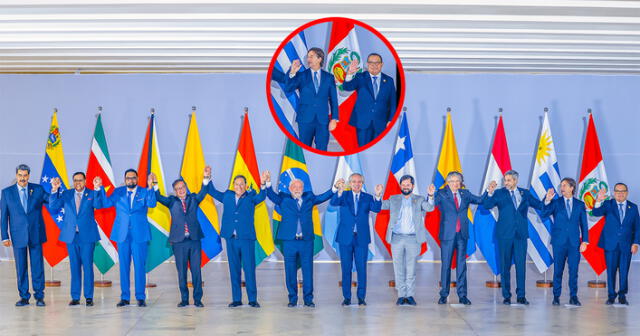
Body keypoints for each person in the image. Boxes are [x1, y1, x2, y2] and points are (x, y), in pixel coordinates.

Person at [263, 170, 336, 307]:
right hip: (289, 241)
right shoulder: (283, 198)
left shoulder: (309, 198)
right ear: (290, 189)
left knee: (308, 270)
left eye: (300, 187)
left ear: (303, 189)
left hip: (306, 241)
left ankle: (308, 299)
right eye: (294, 187)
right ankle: (292, 299)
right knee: (290, 270)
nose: (297, 189)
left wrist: (335, 188)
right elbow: (271, 195)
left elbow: (323, 197)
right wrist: (267, 183)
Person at [484, 170, 553, 305]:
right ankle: (506, 296)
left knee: (521, 266)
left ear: (515, 180)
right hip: (504, 235)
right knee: (505, 266)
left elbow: (539, 205)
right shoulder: (499, 193)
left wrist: (547, 199)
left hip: (520, 235)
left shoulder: (525, 193)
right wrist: (489, 192)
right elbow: (487, 205)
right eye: (505, 180)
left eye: (509, 180)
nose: (506, 182)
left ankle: (521, 296)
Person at [205, 166, 266, 308]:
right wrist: (207, 177)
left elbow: (262, 196)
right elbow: (211, 191)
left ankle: (252, 299)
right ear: (233, 185)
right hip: (231, 239)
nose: (239, 186)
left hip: (246, 240)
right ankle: (236, 299)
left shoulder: (251, 198)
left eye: (241, 184)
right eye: (236, 184)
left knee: (249, 269)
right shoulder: (227, 196)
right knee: (234, 269)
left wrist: (263, 184)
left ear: (245, 186)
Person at [95, 169, 157, 307]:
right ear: (124, 179)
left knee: (140, 266)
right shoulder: (118, 192)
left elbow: (152, 204)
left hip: (139, 234)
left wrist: (151, 186)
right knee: (124, 266)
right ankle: (125, 297)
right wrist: (99, 188)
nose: (131, 180)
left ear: (137, 179)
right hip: (122, 234)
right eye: (128, 178)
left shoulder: (144, 191)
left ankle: (140, 297)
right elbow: (105, 203)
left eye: (133, 178)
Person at [426, 171, 486, 305]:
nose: (455, 183)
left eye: (457, 181)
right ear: (448, 182)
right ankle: (444, 294)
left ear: (461, 183)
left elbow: (480, 200)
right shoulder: (441, 193)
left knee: (461, 266)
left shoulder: (465, 194)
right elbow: (431, 206)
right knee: (446, 265)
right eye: (452, 181)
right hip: (447, 235)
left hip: (462, 235)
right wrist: (430, 195)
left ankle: (462, 295)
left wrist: (489, 190)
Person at [49, 172, 104, 306]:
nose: (77, 183)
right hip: (71, 236)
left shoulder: (91, 193)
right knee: (74, 267)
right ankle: (75, 297)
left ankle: (89, 297)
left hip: (87, 237)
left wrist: (98, 188)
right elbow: (54, 206)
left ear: (85, 181)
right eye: (75, 180)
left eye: (80, 180)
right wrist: (55, 190)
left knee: (87, 267)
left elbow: (99, 204)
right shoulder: (67, 194)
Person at [155, 174, 209, 308]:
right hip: (179, 242)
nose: (181, 190)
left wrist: (206, 179)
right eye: (177, 188)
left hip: (194, 240)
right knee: (182, 272)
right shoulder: (172, 201)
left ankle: (198, 299)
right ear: (174, 191)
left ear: (186, 187)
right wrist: (155, 184)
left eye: (182, 187)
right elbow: (158, 197)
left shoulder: (194, 198)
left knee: (196, 271)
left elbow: (204, 192)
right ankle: (184, 299)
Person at [1, 164, 49, 307]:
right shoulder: (7, 193)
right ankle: (24, 297)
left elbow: (51, 202)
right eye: (20, 175)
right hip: (18, 235)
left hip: (36, 233)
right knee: (21, 267)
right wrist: (4, 236)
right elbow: (3, 216)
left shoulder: (38, 189)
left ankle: (39, 296)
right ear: (16, 175)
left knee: (37, 267)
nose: (23, 178)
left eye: (25, 175)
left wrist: (54, 189)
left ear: (28, 175)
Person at [330, 173, 383, 306]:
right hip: (345, 238)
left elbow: (376, 209)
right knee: (346, 268)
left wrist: (377, 195)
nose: (357, 184)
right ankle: (347, 297)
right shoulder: (344, 195)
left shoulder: (367, 197)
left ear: (362, 183)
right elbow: (333, 202)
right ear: (350, 183)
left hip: (362, 239)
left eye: (359, 182)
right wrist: (339, 191)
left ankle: (361, 297)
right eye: (354, 181)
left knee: (361, 268)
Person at [382, 175, 430, 306]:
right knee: (398, 268)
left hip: (412, 239)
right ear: (400, 185)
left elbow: (430, 208)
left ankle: (410, 295)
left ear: (412, 186)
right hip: (396, 238)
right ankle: (401, 295)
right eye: (403, 184)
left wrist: (430, 196)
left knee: (411, 268)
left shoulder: (419, 199)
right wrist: (378, 194)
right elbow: (380, 206)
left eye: (408, 184)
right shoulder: (393, 199)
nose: (405, 187)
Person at [541, 177, 589, 306]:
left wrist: (585, 241)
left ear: (572, 188)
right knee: (558, 270)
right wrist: (547, 200)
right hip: (559, 242)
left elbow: (584, 224)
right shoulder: (556, 203)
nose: (561, 188)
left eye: (564, 185)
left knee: (573, 271)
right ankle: (556, 296)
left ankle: (573, 296)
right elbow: (544, 214)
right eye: (561, 185)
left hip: (574, 243)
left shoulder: (579, 204)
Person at [592, 183, 640, 305]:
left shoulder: (633, 207)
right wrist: (598, 200)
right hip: (610, 244)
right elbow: (596, 212)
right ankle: (611, 296)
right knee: (611, 271)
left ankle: (622, 295)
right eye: (617, 191)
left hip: (626, 245)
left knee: (624, 271)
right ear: (614, 193)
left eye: (623, 191)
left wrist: (635, 243)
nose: (620, 193)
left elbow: (637, 227)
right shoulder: (608, 204)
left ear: (627, 193)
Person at [284, 47, 339, 150]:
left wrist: (334, 119)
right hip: (305, 120)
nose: (308, 59)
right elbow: (288, 88)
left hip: (322, 121)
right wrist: (292, 72)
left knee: (322, 149)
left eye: (311, 56)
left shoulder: (329, 77)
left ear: (319, 59)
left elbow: (333, 100)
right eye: (308, 57)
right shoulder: (301, 76)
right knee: (304, 150)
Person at [343, 53, 397, 146]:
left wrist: (391, 120)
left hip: (381, 123)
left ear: (382, 64)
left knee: (378, 150)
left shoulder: (389, 81)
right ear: (367, 64)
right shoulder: (360, 77)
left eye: (377, 63)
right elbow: (347, 87)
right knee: (362, 150)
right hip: (363, 122)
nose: (374, 65)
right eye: (371, 63)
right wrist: (350, 74)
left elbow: (393, 102)